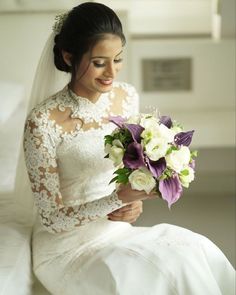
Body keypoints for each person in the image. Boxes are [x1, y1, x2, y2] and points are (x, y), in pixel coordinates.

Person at [23, 2, 235, 294]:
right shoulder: (43, 121)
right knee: (145, 277)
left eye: (118, 59)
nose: (112, 72)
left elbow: (126, 171)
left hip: (117, 232)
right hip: (66, 249)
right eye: (99, 62)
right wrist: (116, 199)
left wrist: (131, 205)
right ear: (69, 56)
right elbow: (51, 219)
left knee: (194, 252)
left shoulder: (125, 96)